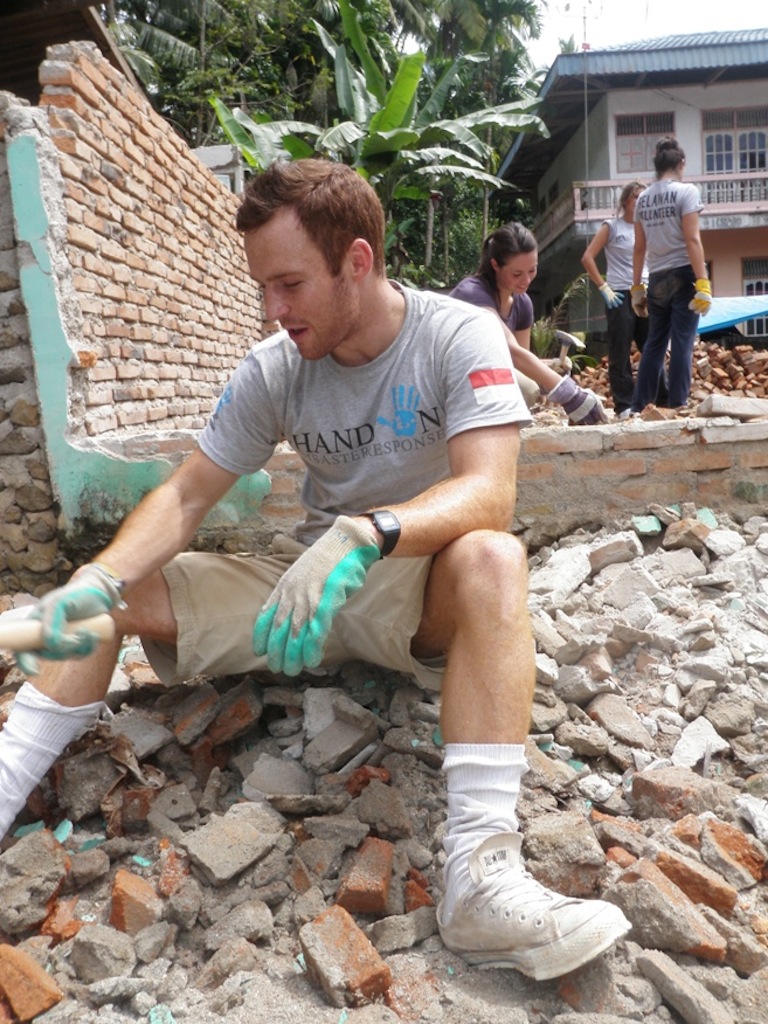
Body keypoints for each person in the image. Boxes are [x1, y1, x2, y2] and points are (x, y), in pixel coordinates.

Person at [0, 159, 630, 981]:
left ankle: (480, 880)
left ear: (356, 262)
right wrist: (100, 578)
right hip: (300, 591)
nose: (274, 308)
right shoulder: (276, 365)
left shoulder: (458, 335)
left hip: (412, 586)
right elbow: (188, 494)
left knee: (494, 556)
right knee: (104, 592)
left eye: (290, 284)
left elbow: (490, 491)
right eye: (264, 286)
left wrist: (366, 533)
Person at [451, 223, 608, 425]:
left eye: (532, 270)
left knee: (536, 379)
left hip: (486, 375)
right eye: (517, 274)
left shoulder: (522, 303)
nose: (526, 280)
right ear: (495, 265)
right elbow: (511, 352)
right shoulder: (472, 294)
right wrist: (569, 394)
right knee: (527, 389)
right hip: (453, 377)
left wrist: (551, 368)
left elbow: (520, 363)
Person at [629, 137, 711, 413]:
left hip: (656, 277)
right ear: (681, 163)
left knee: (654, 342)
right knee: (682, 341)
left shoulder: (642, 199)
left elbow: (639, 248)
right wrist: (703, 283)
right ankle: (677, 403)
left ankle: (639, 405)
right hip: (683, 274)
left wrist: (636, 288)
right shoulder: (687, 192)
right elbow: (692, 239)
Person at [581, 179, 667, 417]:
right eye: (636, 197)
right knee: (620, 351)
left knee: (652, 347)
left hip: (644, 293)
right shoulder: (612, 227)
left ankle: (664, 400)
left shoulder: (649, 228)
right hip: (619, 294)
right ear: (626, 201)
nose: (640, 202)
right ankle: (625, 405)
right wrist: (603, 287)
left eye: (644, 198)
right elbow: (587, 257)